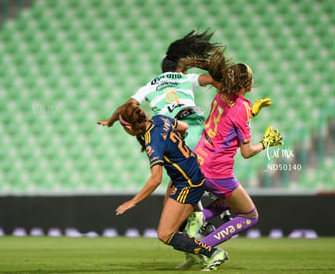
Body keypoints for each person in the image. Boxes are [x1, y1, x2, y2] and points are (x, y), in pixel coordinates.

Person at [176, 47, 283, 267]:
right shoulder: (242, 107)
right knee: (249, 215)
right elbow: (246, 152)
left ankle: (200, 218)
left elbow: (228, 118)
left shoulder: (220, 95)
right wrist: (266, 143)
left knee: (226, 201)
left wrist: (252, 111)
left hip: (199, 161)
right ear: (248, 84)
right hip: (217, 170)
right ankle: (203, 247)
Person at [107, 102, 228, 271]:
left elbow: (156, 179)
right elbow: (184, 127)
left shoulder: (152, 143)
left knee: (165, 234)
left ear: (129, 127)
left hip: (188, 183)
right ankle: (196, 253)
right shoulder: (160, 119)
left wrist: (133, 202)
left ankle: (214, 253)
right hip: (188, 175)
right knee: (175, 228)